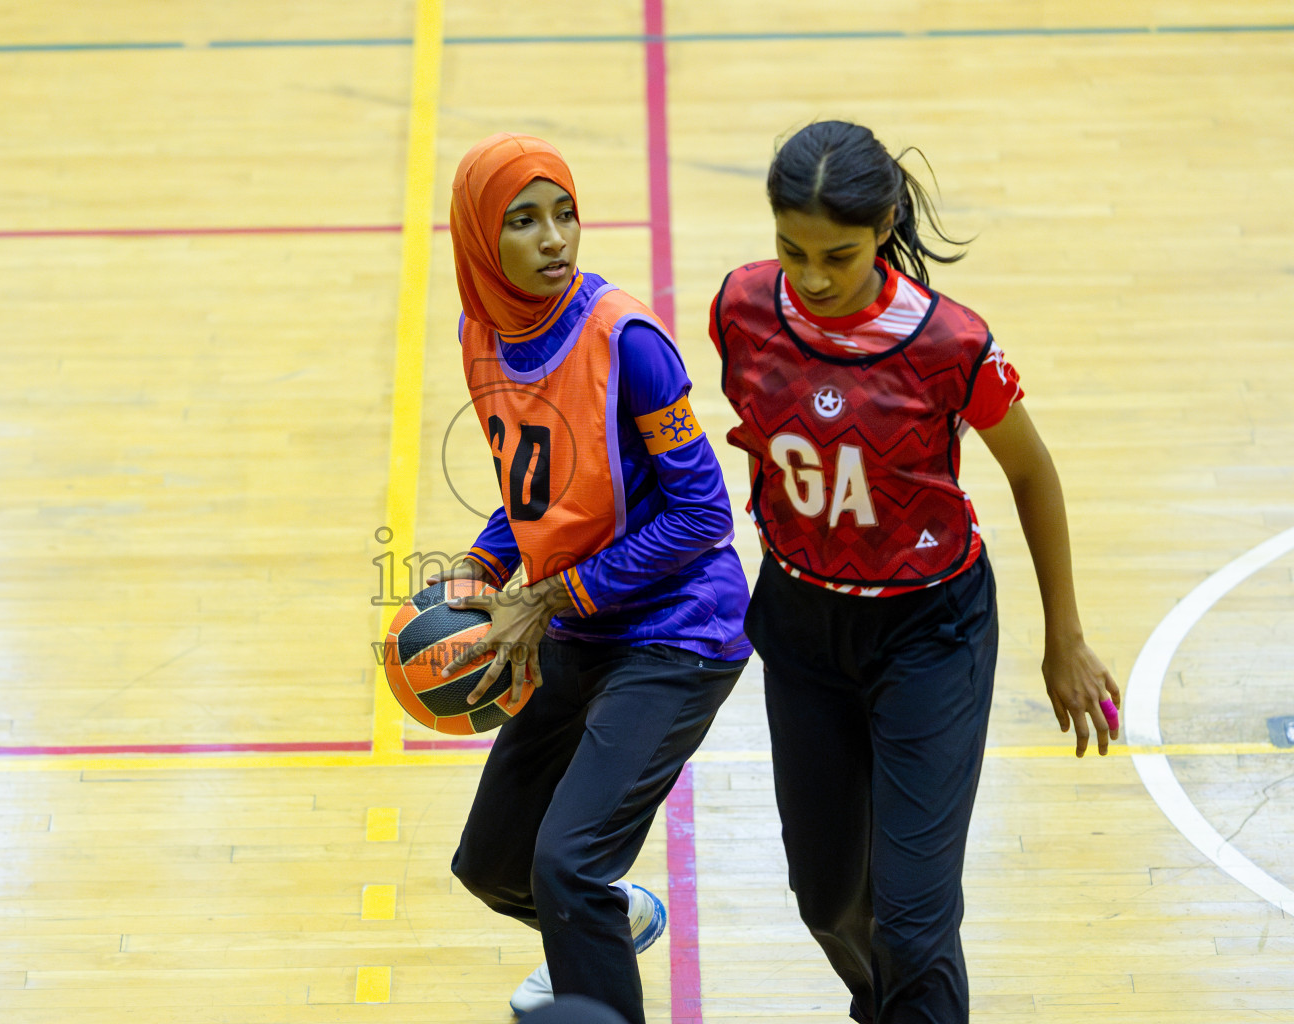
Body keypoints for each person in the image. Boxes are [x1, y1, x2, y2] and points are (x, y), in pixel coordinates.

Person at [707, 120, 1121, 1024]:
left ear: (887, 224)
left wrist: (1067, 641)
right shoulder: (739, 308)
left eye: (839, 255)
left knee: (916, 917)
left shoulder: (949, 345)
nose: (813, 277)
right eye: (792, 250)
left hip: (930, 633)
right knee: (827, 902)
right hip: (802, 627)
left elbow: (1032, 473)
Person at [429, 133, 752, 1024]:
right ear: (478, 241)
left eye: (564, 213)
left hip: (677, 633)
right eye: (524, 221)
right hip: (577, 623)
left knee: (567, 865)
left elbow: (703, 517)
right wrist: (482, 564)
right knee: (495, 865)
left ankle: (593, 946)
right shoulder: (482, 333)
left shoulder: (628, 343)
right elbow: (533, 485)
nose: (554, 239)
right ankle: (607, 923)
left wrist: (546, 597)